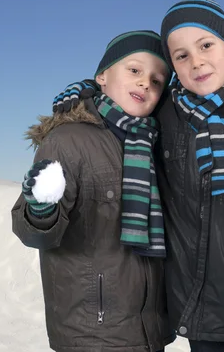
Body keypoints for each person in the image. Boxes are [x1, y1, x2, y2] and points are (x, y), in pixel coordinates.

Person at [49, 0, 224, 352]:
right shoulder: (165, 118)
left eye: (206, 45)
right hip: (200, 312)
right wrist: (89, 94)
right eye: (181, 55)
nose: (196, 60)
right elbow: (127, 99)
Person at [11, 30, 175, 352]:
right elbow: (35, 235)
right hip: (90, 333)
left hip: (151, 332)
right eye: (134, 70)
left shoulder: (155, 144)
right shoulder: (68, 140)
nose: (145, 83)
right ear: (101, 76)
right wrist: (41, 209)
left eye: (157, 81)